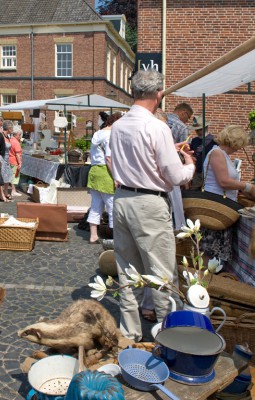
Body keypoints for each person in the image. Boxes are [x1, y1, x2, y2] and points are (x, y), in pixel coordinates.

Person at [110, 69, 195, 342]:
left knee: (127, 271)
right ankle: (170, 336)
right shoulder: (157, 127)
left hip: (122, 199)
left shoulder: (119, 125)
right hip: (149, 202)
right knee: (161, 273)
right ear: (159, 94)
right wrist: (190, 165)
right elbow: (174, 176)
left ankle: (130, 333)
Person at [200, 125, 255, 263]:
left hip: (220, 206)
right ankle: (205, 280)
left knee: (213, 249)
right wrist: (248, 186)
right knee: (210, 249)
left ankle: (209, 279)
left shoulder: (222, 155)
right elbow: (224, 182)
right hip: (216, 207)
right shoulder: (217, 153)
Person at [86, 112, 122, 244]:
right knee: (113, 206)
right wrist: (116, 177)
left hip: (94, 170)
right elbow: (109, 158)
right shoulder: (110, 136)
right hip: (105, 172)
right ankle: (115, 239)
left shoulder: (97, 134)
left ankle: (93, 236)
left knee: (96, 206)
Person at [189, 115, 217, 190]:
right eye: (196, 130)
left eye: (200, 129)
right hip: (197, 174)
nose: (198, 132)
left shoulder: (214, 141)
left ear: (206, 127)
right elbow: (192, 155)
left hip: (209, 174)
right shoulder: (194, 140)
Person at [0, 120, 15, 202]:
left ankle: (6, 192)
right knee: (1, 177)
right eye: (12, 127)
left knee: (8, 176)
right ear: (8, 128)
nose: (13, 129)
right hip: (1, 157)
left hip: (7, 158)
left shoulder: (7, 136)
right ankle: (1, 195)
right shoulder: (0, 136)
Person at [9, 127, 23, 196]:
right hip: (14, 161)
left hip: (10, 160)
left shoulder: (10, 140)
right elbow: (18, 154)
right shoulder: (16, 142)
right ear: (15, 134)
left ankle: (13, 190)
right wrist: (19, 163)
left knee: (12, 176)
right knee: (14, 176)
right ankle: (13, 191)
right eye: (19, 135)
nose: (20, 136)